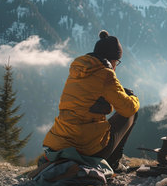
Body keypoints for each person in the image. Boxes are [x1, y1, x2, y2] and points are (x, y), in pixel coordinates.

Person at [43, 30, 140, 171]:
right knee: (131, 112)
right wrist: (134, 98)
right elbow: (127, 108)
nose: (115, 66)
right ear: (112, 59)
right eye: (117, 62)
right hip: (85, 147)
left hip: (60, 142)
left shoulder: (77, 71)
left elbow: (89, 98)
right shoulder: (106, 74)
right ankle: (114, 163)